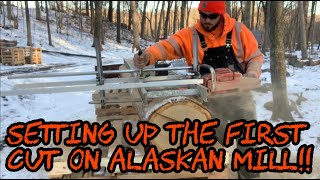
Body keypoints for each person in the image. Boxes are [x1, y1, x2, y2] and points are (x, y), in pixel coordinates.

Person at [134, 1, 262, 179]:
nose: (207, 20)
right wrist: (148, 56)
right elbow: (167, 46)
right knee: (207, 140)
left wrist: (251, 76)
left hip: (239, 96)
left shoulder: (239, 31)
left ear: (222, 15)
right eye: (204, 16)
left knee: (248, 135)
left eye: (212, 16)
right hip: (206, 98)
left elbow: (255, 56)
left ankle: (248, 175)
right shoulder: (190, 35)